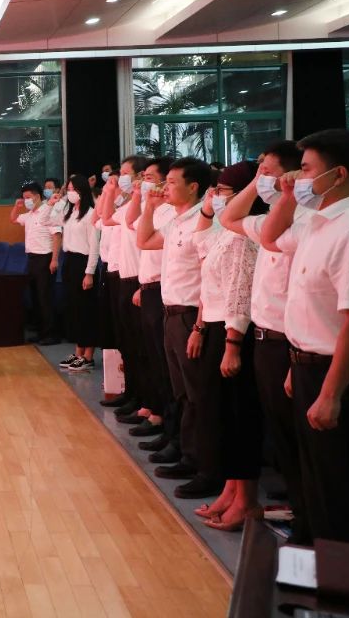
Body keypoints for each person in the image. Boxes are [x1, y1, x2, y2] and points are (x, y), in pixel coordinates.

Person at [257, 129, 349, 546]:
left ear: (338, 175)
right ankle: (319, 566)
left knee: (345, 494)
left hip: (347, 377)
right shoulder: (322, 221)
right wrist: (298, 362)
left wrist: (331, 391)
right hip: (311, 366)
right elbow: (270, 239)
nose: (296, 179)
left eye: (305, 170)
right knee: (318, 484)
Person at [221, 140, 311, 542]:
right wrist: (260, 183)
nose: (261, 178)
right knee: (284, 441)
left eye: (268, 171)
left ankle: (309, 526)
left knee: (300, 443)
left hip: (291, 343)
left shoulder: (307, 222)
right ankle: (302, 520)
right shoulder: (270, 219)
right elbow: (229, 216)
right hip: (265, 339)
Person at [190, 162, 262, 525]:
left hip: (234, 332)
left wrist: (232, 343)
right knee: (223, 415)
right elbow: (199, 241)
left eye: (222, 191)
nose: (216, 197)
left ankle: (246, 500)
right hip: (217, 326)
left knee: (238, 415)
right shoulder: (227, 230)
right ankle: (230, 491)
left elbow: (240, 291)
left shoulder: (245, 235)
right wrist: (207, 210)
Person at [138, 157, 214, 488]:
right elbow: (144, 241)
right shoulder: (177, 221)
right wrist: (149, 207)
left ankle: (202, 463)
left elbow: (210, 278)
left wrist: (199, 325)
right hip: (170, 313)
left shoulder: (204, 222)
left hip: (190, 315)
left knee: (197, 393)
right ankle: (185, 450)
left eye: (171, 182)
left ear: (193, 187)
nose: (164, 188)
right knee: (180, 390)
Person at [127, 156, 177, 456]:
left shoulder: (172, 213)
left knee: (165, 365)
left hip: (163, 290)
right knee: (154, 359)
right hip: (148, 287)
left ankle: (168, 425)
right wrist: (144, 200)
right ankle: (160, 417)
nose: (143, 182)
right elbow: (133, 227)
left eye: (149, 178)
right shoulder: (155, 208)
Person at [102, 157, 150, 428]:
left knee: (142, 348)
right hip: (122, 278)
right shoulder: (129, 205)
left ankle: (146, 401)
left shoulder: (149, 208)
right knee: (127, 344)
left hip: (139, 282)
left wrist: (142, 286)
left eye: (125, 173)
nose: (120, 177)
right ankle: (132, 393)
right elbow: (106, 218)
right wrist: (110, 192)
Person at [11, 181, 61, 345]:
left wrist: (54, 259)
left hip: (45, 258)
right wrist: (17, 207)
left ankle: (51, 334)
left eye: (28, 197)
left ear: (38, 196)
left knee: (45, 297)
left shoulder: (48, 211)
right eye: (24, 197)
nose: (26, 200)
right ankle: (40, 332)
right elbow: (13, 219)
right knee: (35, 297)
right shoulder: (29, 215)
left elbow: (57, 236)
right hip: (32, 259)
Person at [58, 174, 99, 371]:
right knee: (74, 309)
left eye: (73, 189)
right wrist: (54, 202)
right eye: (68, 189)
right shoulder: (69, 213)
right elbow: (48, 221)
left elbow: (94, 246)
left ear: (82, 191)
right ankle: (78, 352)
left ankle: (88, 355)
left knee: (86, 310)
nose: (70, 193)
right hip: (69, 261)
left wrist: (89, 272)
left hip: (83, 263)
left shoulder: (90, 214)